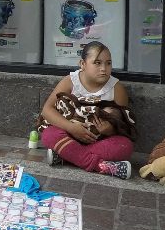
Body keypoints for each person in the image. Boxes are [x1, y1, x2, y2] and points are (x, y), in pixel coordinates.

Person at [38, 41, 135, 180]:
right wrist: (71, 128)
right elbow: (47, 110)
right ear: (82, 64)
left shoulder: (116, 88)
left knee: (125, 146)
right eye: (97, 63)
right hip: (70, 135)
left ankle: (65, 155)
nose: (104, 68)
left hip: (98, 140)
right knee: (49, 134)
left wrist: (110, 129)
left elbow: (125, 123)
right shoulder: (70, 81)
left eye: (108, 63)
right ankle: (102, 166)